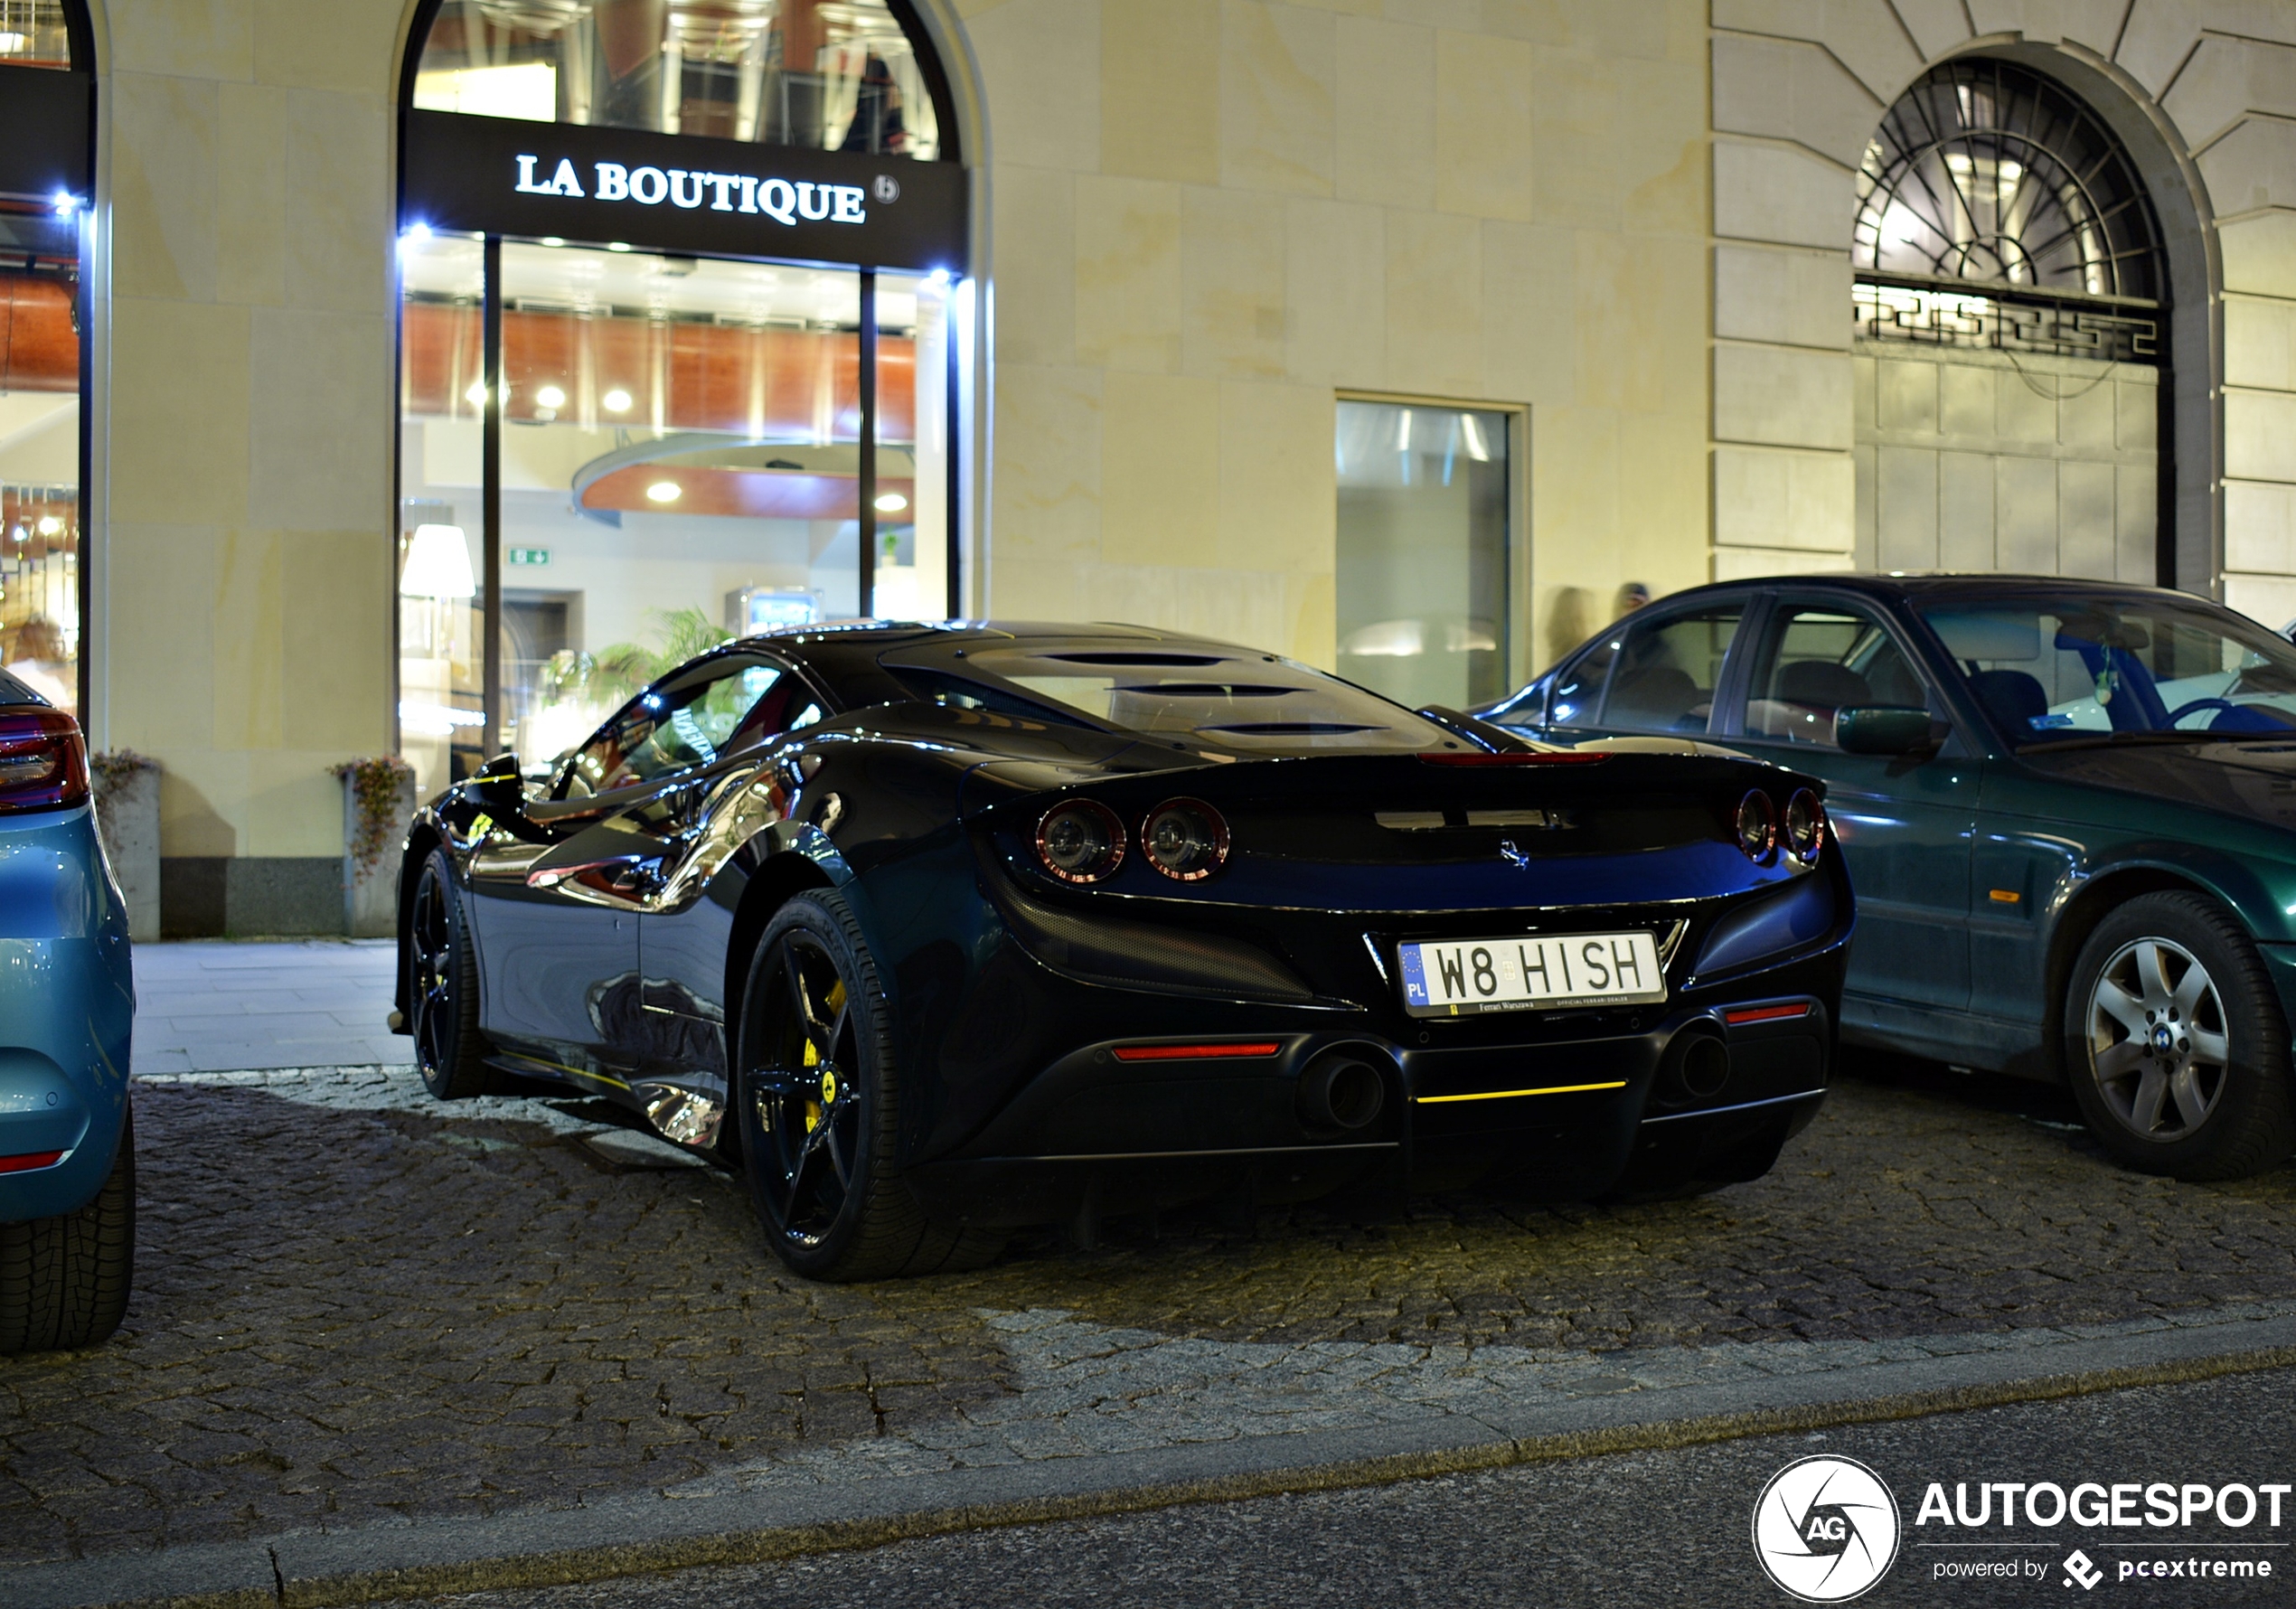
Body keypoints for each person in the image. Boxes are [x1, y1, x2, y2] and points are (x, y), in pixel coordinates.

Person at [6, 615, 71, 712]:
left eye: (60, 641)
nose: (58, 647)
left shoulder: (49, 673)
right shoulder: (22, 673)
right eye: (53, 642)